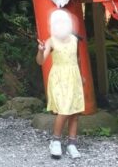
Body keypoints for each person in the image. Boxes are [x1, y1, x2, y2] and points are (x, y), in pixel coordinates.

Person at [36, 9, 84, 159]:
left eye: (64, 21)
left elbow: (78, 59)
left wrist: (81, 75)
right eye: (58, 22)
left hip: (74, 77)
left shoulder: (75, 39)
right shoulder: (51, 41)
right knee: (63, 111)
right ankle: (55, 141)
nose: (61, 24)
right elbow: (40, 61)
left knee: (75, 113)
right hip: (59, 79)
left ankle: (72, 143)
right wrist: (40, 50)